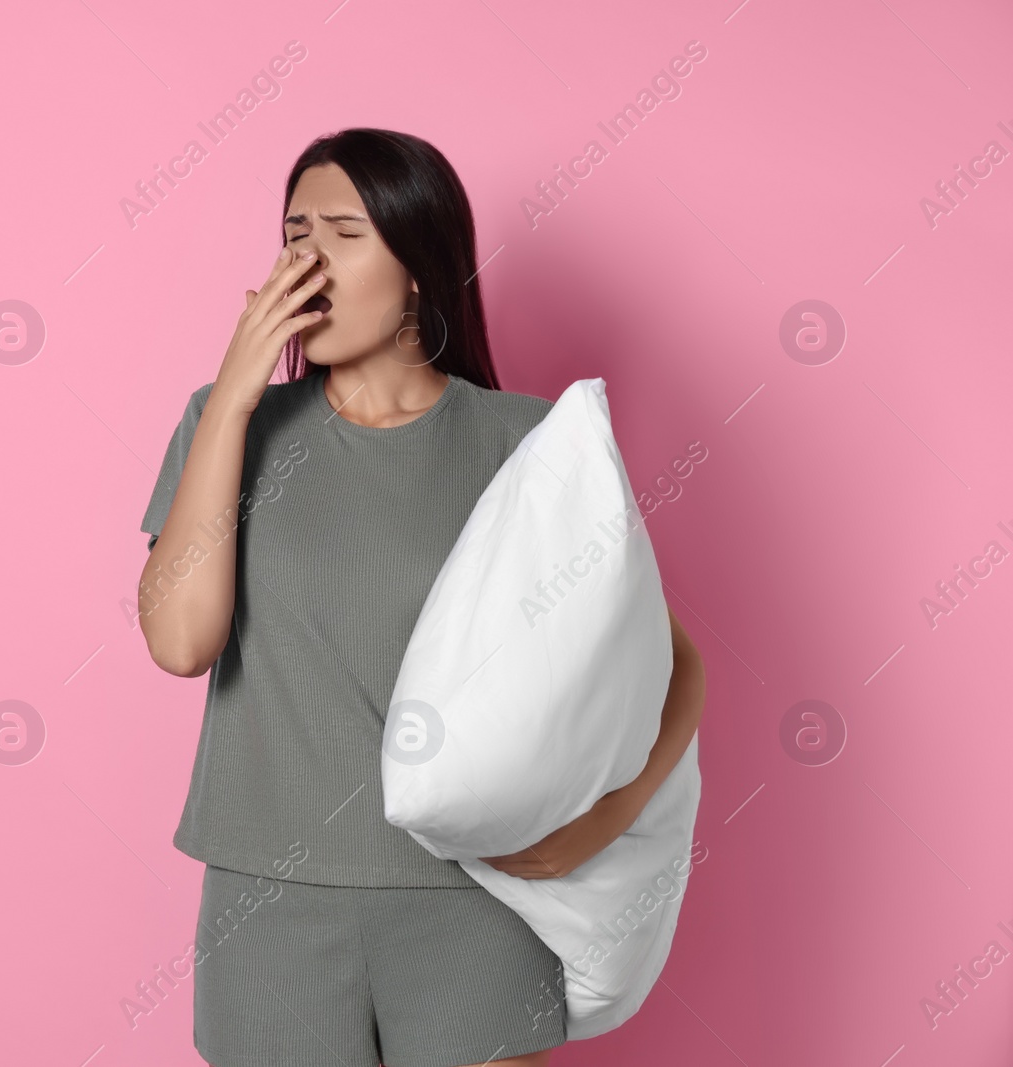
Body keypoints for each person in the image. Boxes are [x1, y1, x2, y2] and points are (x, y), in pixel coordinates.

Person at [136, 127, 706, 1067]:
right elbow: (180, 639)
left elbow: (671, 657)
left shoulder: (527, 442)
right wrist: (237, 393)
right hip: (269, 906)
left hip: (476, 905)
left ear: (418, 267)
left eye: (344, 232)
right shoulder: (224, 425)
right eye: (293, 232)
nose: (307, 260)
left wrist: (597, 824)